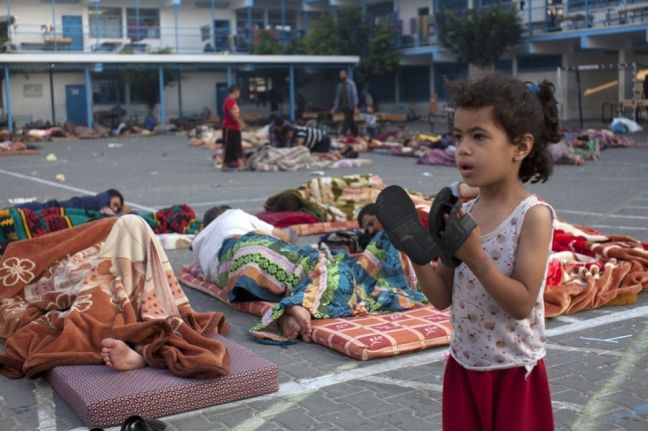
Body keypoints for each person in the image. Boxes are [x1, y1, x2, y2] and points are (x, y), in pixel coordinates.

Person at [377, 74, 560, 430]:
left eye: (479, 136)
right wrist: (417, 254)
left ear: (520, 147)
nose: (463, 148)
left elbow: (522, 304)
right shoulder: (465, 213)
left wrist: (476, 256)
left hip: (512, 372)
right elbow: (442, 297)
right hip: (464, 365)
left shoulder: (533, 216)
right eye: (459, 136)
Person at [191, 206, 295, 284]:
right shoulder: (235, 214)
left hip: (230, 275)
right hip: (244, 250)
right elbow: (284, 236)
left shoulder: (199, 242)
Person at [12, 189, 126, 215]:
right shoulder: (104, 198)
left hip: (63, 208)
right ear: (111, 195)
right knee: (39, 209)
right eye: (115, 204)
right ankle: (11, 211)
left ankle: (12, 211)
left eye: (117, 208)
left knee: (39, 209)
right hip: (62, 208)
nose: (114, 209)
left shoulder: (102, 202)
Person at [222, 84, 246, 171]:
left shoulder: (233, 101)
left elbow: (236, 114)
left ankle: (236, 162)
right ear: (235, 92)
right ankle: (230, 164)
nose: (239, 94)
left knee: (237, 145)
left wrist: (240, 123)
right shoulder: (229, 101)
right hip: (230, 127)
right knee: (230, 145)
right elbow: (232, 114)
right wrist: (240, 123)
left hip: (235, 127)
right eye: (238, 92)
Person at [331, 69, 359, 137]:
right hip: (343, 106)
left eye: (342, 74)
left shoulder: (351, 84)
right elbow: (337, 97)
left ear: (346, 75)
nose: (341, 75)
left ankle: (342, 134)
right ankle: (356, 134)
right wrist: (335, 107)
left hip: (350, 106)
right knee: (350, 120)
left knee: (347, 120)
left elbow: (354, 95)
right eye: (340, 74)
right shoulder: (339, 86)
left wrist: (355, 106)